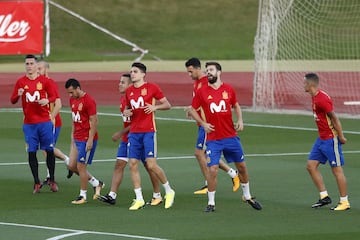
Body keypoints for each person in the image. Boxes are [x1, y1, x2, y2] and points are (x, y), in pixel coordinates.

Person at [188, 61, 262, 212]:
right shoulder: (202, 92)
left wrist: (240, 119)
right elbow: (192, 109)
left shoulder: (228, 89)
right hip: (213, 139)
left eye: (211, 70)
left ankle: (247, 196)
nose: (208, 72)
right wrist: (202, 123)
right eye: (207, 70)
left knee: (242, 167)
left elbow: (235, 105)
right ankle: (211, 203)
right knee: (213, 169)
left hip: (230, 137)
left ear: (219, 72)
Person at [98, 73, 162, 206]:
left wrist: (120, 132)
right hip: (127, 138)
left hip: (138, 136)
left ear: (130, 85)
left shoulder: (137, 98)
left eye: (123, 82)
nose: (119, 84)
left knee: (149, 166)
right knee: (119, 164)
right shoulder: (125, 100)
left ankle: (157, 194)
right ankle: (112, 195)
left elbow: (138, 122)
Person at [123, 62, 175, 210]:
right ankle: (139, 198)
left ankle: (169, 190)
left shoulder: (152, 88)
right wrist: (127, 112)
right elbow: (128, 108)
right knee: (132, 164)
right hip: (134, 132)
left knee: (151, 165)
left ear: (143, 74)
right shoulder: (129, 91)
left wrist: (155, 107)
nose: (132, 74)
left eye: (135, 71)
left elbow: (167, 104)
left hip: (148, 131)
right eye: (131, 71)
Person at [185, 57, 240, 194]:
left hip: (208, 126)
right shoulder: (198, 83)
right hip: (202, 124)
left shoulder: (205, 82)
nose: (189, 75)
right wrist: (191, 110)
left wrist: (203, 121)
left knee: (199, 153)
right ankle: (232, 173)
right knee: (203, 154)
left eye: (191, 71)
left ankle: (208, 184)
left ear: (198, 69)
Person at [10, 54, 59, 193]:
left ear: (37, 66)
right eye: (27, 64)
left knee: (49, 151)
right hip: (29, 124)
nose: (29, 66)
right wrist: (18, 94)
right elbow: (12, 100)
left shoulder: (45, 81)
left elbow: (54, 96)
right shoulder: (20, 82)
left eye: (31, 63)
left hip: (44, 123)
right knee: (31, 152)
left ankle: (52, 180)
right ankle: (36, 182)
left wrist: (47, 100)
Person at [304, 73, 350, 211]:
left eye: (304, 83)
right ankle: (324, 197)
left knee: (336, 170)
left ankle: (344, 202)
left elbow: (334, 118)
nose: (303, 85)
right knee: (311, 166)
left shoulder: (322, 99)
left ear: (310, 84)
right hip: (321, 139)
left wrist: (341, 136)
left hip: (331, 139)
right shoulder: (314, 97)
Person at [65, 78, 104, 204]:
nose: (70, 95)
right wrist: (72, 136)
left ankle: (83, 196)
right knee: (71, 165)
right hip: (77, 137)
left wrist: (90, 140)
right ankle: (96, 183)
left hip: (86, 139)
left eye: (71, 92)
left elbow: (94, 121)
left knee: (81, 166)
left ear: (77, 88)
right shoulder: (72, 100)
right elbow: (74, 120)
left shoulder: (89, 101)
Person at [37, 60, 72, 184]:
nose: (37, 71)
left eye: (40, 68)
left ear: (46, 69)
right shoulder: (37, 84)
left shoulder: (50, 83)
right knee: (45, 149)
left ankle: (67, 163)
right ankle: (55, 171)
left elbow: (58, 104)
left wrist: (51, 118)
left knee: (47, 148)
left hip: (52, 121)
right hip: (43, 121)